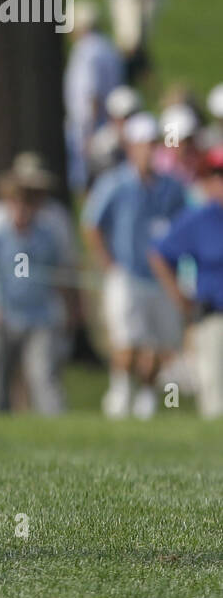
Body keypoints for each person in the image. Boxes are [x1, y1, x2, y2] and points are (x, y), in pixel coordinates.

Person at [83, 113, 187, 419]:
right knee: (127, 342)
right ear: (131, 147)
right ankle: (120, 393)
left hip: (161, 276)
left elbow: (181, 227)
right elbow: (92, 225)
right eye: (143, 144)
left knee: (157, 345)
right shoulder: (114, 183)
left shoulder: (172, 187)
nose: (149, 150)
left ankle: (147, 397)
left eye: (153, 144)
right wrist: (109, 265)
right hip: (126, 274)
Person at [0, 171, 75, 415]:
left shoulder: (47, 236)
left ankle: (55, 425)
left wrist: (70, 310)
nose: (22, 209)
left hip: (40, 316)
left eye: (27, 203)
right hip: (3, 317)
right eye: (16, 202)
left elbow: (61, 275)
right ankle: (2, 424)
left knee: (43, 373)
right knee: (2, 379)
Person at [149, 147, 223, 419]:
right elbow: (160, 254)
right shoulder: (199, 219)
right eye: (218, 174)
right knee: (215, 398)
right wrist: (180, 297)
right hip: (213, 316)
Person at [63, 0, 122, 191]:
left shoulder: (85, 51)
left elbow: (91, 94)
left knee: (87, 185)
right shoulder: (108, 47)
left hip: (89, 127)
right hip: (109, 125)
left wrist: (88, 133)